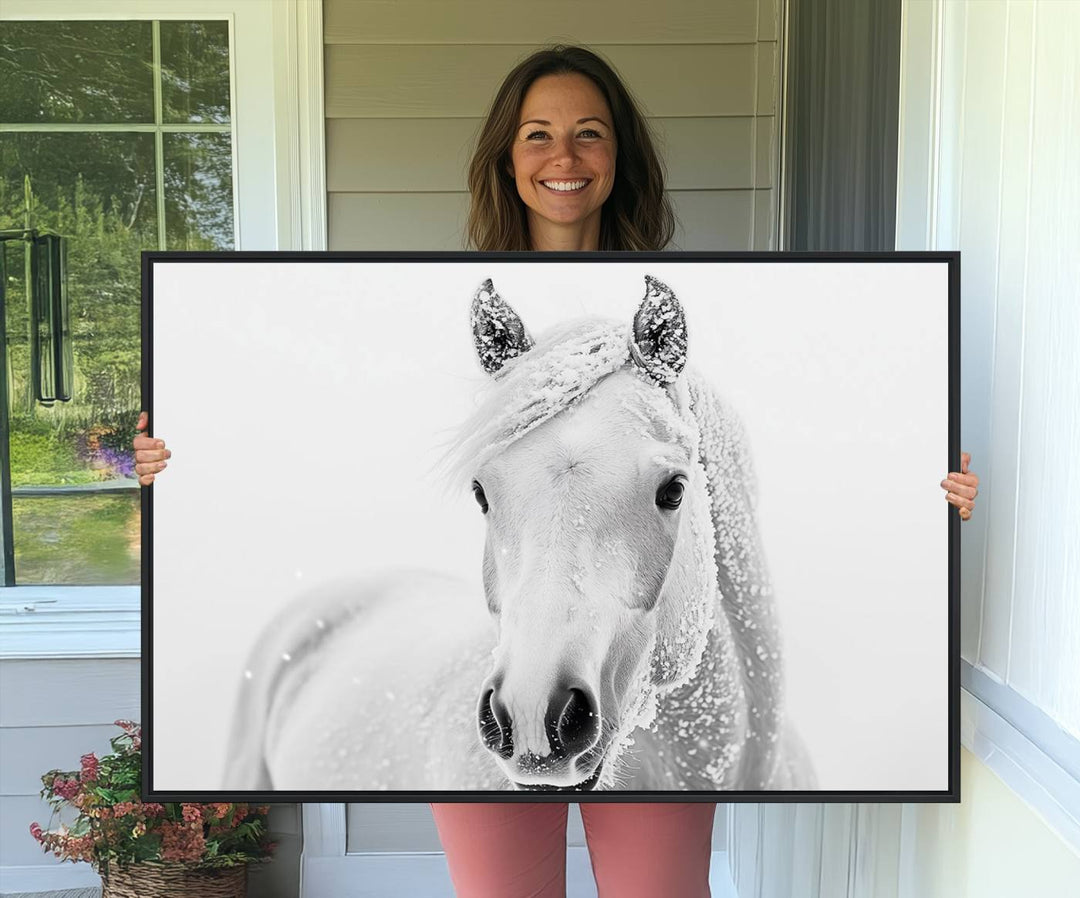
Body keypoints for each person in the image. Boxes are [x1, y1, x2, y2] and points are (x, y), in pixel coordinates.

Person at [133, 45, 979, 898]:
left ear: (619, 159)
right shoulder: (455, 298)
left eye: (589, 135)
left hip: (639, 667)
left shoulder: (682, 315)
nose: (563, 158)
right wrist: (176, 460)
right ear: (508, 157)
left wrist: (931, 486)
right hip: (527, 637)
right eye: (537, 135)